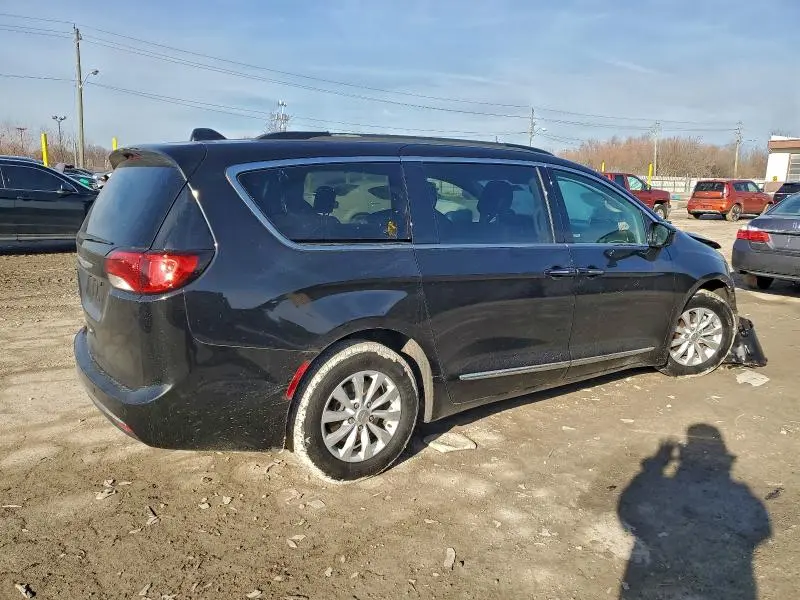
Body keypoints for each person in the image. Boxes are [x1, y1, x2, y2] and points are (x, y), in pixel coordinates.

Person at [617, 424, 771, 600]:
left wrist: (656, 465)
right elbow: (762, 531)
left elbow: (627, 511)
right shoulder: (742, 494)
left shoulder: (740, 494)